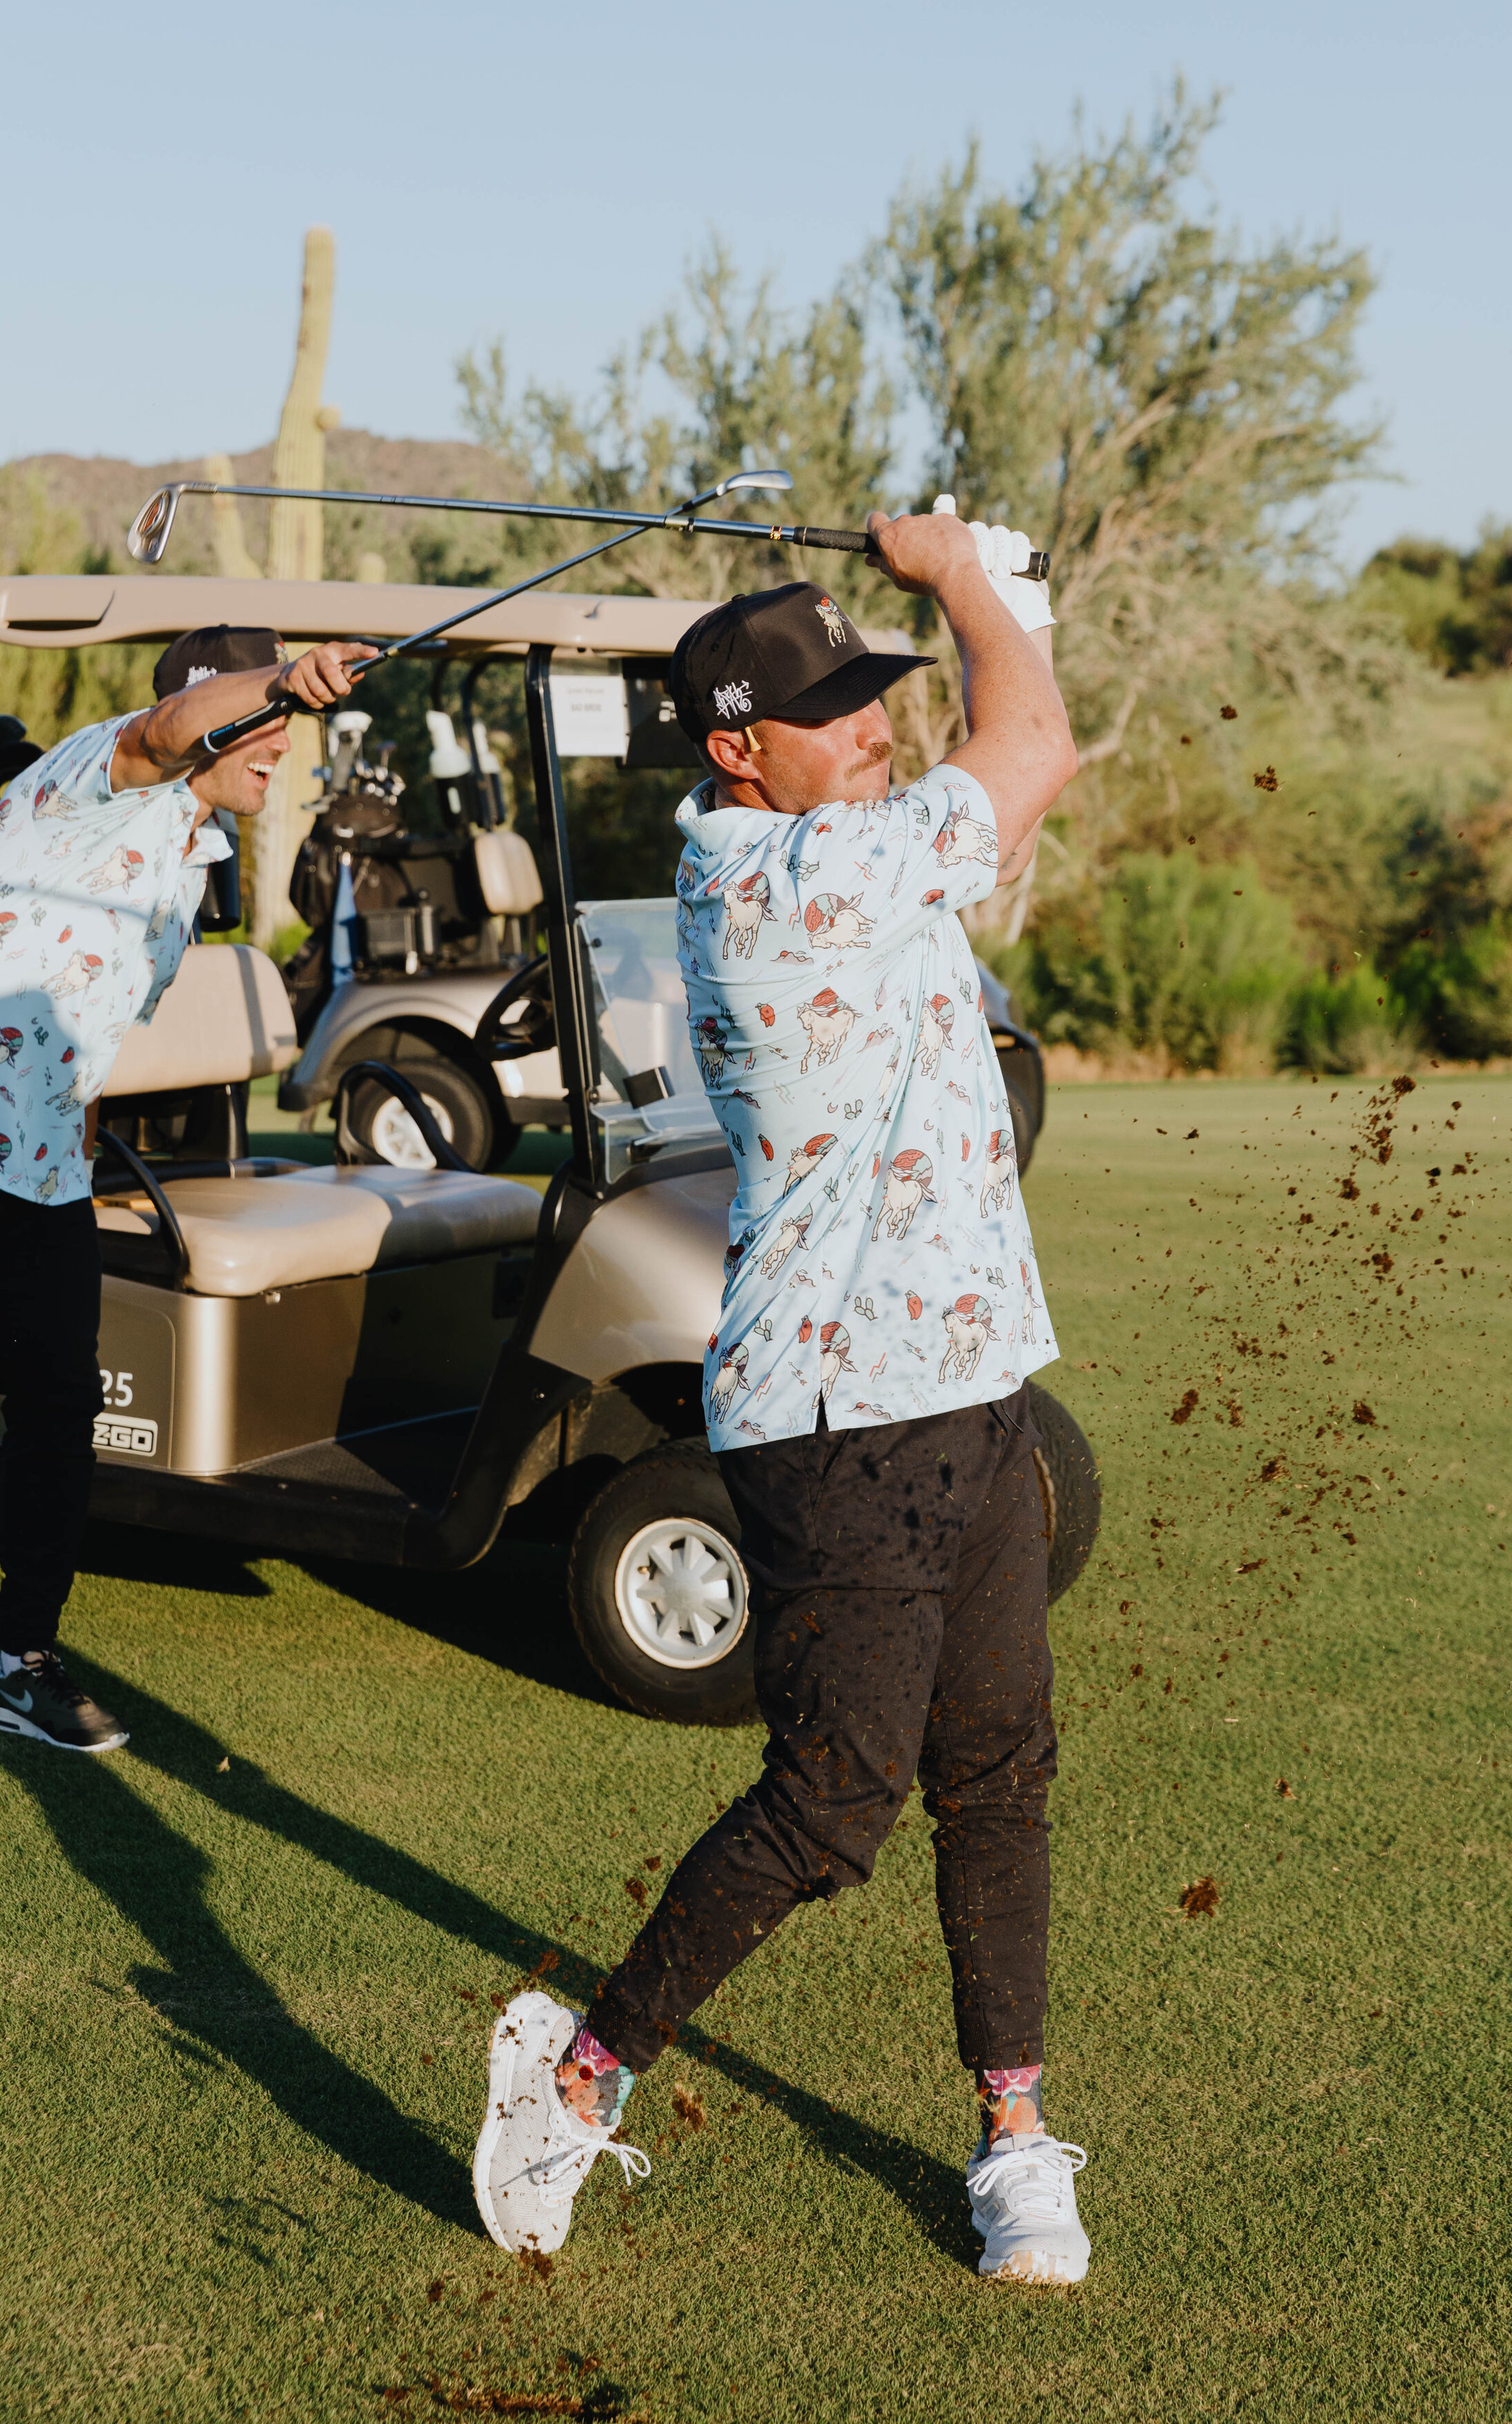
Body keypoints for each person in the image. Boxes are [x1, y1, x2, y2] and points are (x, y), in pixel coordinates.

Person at [472, 508, 1092, 2286]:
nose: (872, 727)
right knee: (833, 1801)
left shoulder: (852, 851)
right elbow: (1032, 752)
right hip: (838, 1418)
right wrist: (958, 579)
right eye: (831, 710)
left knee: (998, 1770)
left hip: (968, 1382)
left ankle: (1013, 2136)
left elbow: (999, 767)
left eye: (873, 692)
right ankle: (574, 2074)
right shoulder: (776, 885)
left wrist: (998, 604)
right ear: (737, 748)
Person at [0, 627, 375, 1752]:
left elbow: (91, 1034)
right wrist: (282, 679)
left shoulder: (195, 860)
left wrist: (74, 1154)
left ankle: (18, 1657)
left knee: (59, 1412)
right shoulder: (82, 784)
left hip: (43, 1175)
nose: (281, 743)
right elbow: (164, 729)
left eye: (287, 723)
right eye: (264, 721)